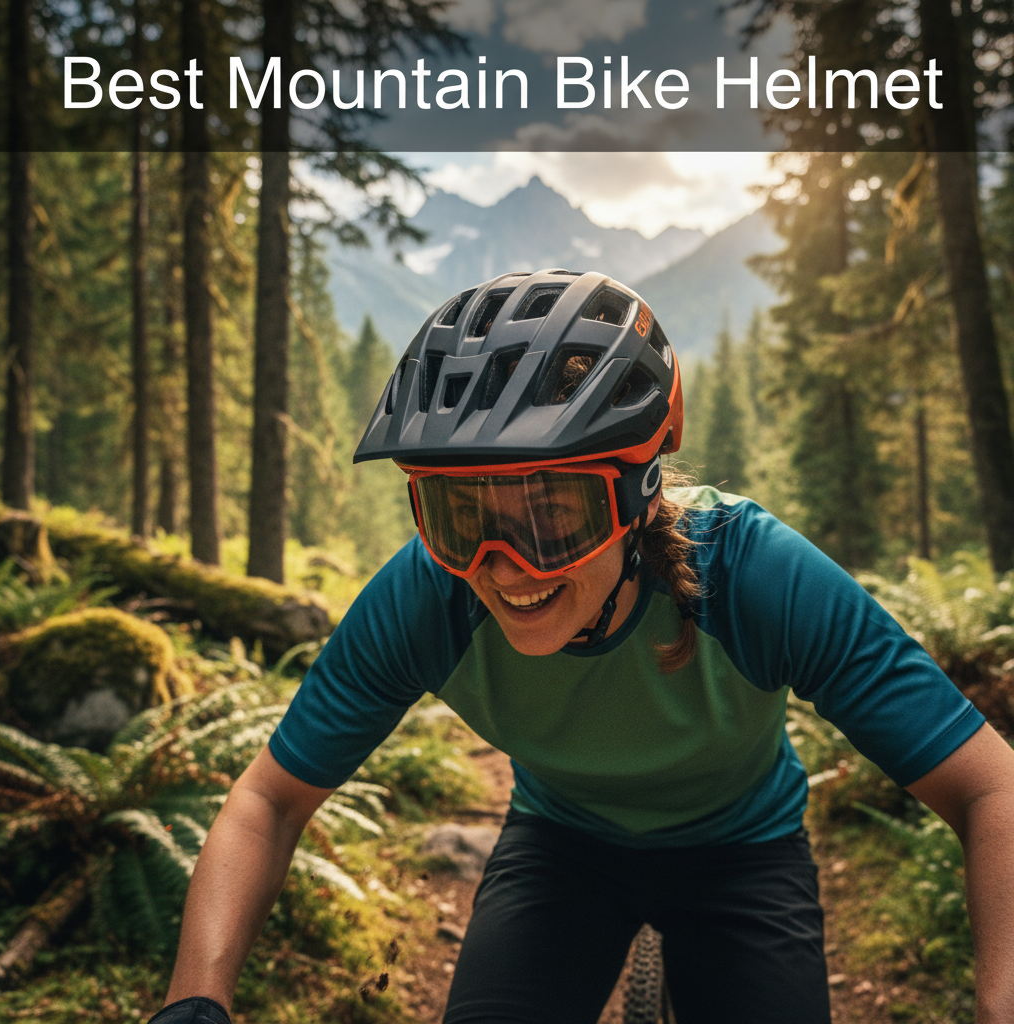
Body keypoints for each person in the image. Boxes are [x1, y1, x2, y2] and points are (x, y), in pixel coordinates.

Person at [150, 269, 1014, 1024]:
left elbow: (988, 786)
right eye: (460, 518)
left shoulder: (749, 573)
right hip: (562, 847)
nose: (503, 566)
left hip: (742, 853)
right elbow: (266, 803)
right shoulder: (430, 595)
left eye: (552, 517)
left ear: (636, 497)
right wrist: (194, 1001)